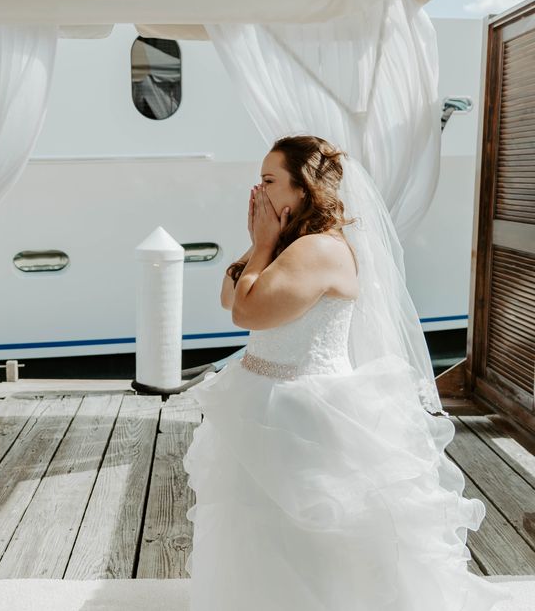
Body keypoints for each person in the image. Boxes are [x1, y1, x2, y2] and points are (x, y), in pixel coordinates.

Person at [183, 135, 509, 610]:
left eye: (269, 180)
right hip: (261, 399)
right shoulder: (288, 244)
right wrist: (263, 246)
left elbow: (246, 312)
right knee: (255, 531)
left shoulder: (317, 249)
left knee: (311, 536)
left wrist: (261, 247)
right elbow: (230, 295)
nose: (258, 191)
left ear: (303, 187)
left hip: (301, 408)